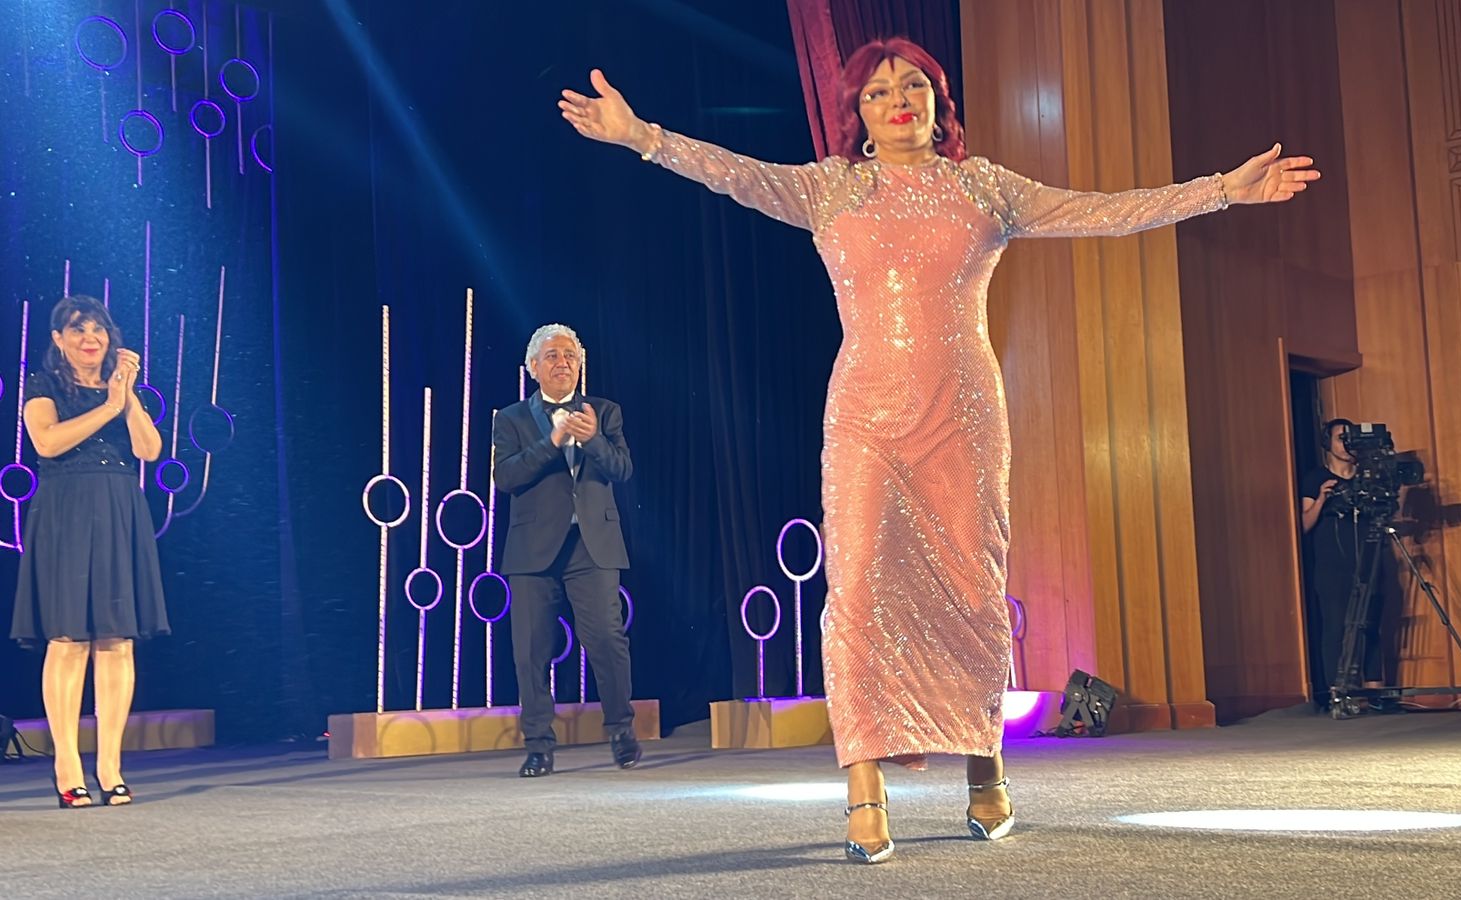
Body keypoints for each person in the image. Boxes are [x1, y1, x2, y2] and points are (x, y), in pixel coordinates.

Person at [559, 36, 1319, 863]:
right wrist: (641, 136)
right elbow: (731, 172)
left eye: (913, 85)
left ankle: (985, 765)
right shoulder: (830, 189)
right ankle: (864, 787)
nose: (899, 101)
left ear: (937, 100)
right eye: (879, 92)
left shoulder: (984, 187)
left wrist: (1222, 190)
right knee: (856, 591)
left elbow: (1102, 210)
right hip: (864, 418)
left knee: (971, 589)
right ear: (858, 114)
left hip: (963, 418)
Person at [11, 295, 165, 808]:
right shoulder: (44, 385)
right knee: (69, 638)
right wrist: (108, 408)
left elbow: (149, 450)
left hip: (119, 508)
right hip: (66, 512)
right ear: (59, 339)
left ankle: (110, 766)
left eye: (98, 329)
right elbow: (47, 443)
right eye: (78, 330)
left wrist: (126, 394)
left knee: (117, 640)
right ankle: (67, 766)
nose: (90, 338)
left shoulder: (121, 392)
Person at [492, 323, 641, 777]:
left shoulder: (604, 412)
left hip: (592, 546)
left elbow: (622, 469)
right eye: (553, 356)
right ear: (533, 367)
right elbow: (506, 477)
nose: (563, 363)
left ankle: (621, 731)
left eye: (570, 355)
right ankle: (538, 745)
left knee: (607, 640)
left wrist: (593, 439)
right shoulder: (511, 418)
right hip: (533, 549)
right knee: (531, 650)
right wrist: (552, 442)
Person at [1300, 418, 1386, 702]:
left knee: (1370, 625)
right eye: (1341, 438)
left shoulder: (1370, 477)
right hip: (1331, 566)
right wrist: (1322, 499)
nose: (1347, 444)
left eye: (1350, 438)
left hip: (1370, 560)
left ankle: (1375, 693)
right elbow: (1303, 525)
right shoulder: (1315, 478)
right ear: (1328, 443)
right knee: (1336, 626)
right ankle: (1336, 694)